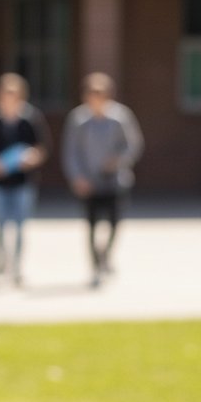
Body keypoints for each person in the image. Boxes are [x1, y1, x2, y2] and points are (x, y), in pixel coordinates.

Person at [62, 72, 144, 287]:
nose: (96, 98)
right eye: (92, 93)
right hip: (88, 182)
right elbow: (71, 152)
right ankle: (95, 267)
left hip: (115, 180)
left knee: (115, 222)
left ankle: (106, 254)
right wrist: (77, 177)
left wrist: (118, 161)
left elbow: (133, 145)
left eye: (100, 93)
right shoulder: (78, 119)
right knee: (91, 226)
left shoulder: (121, 117)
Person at [0, 73, 51, 285]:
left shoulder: (31, 119)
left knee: (19, 226)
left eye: (14, 94)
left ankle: (17, 267)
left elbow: (41, 149)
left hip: (23, 181)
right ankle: (1, 260)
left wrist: (30, 159)